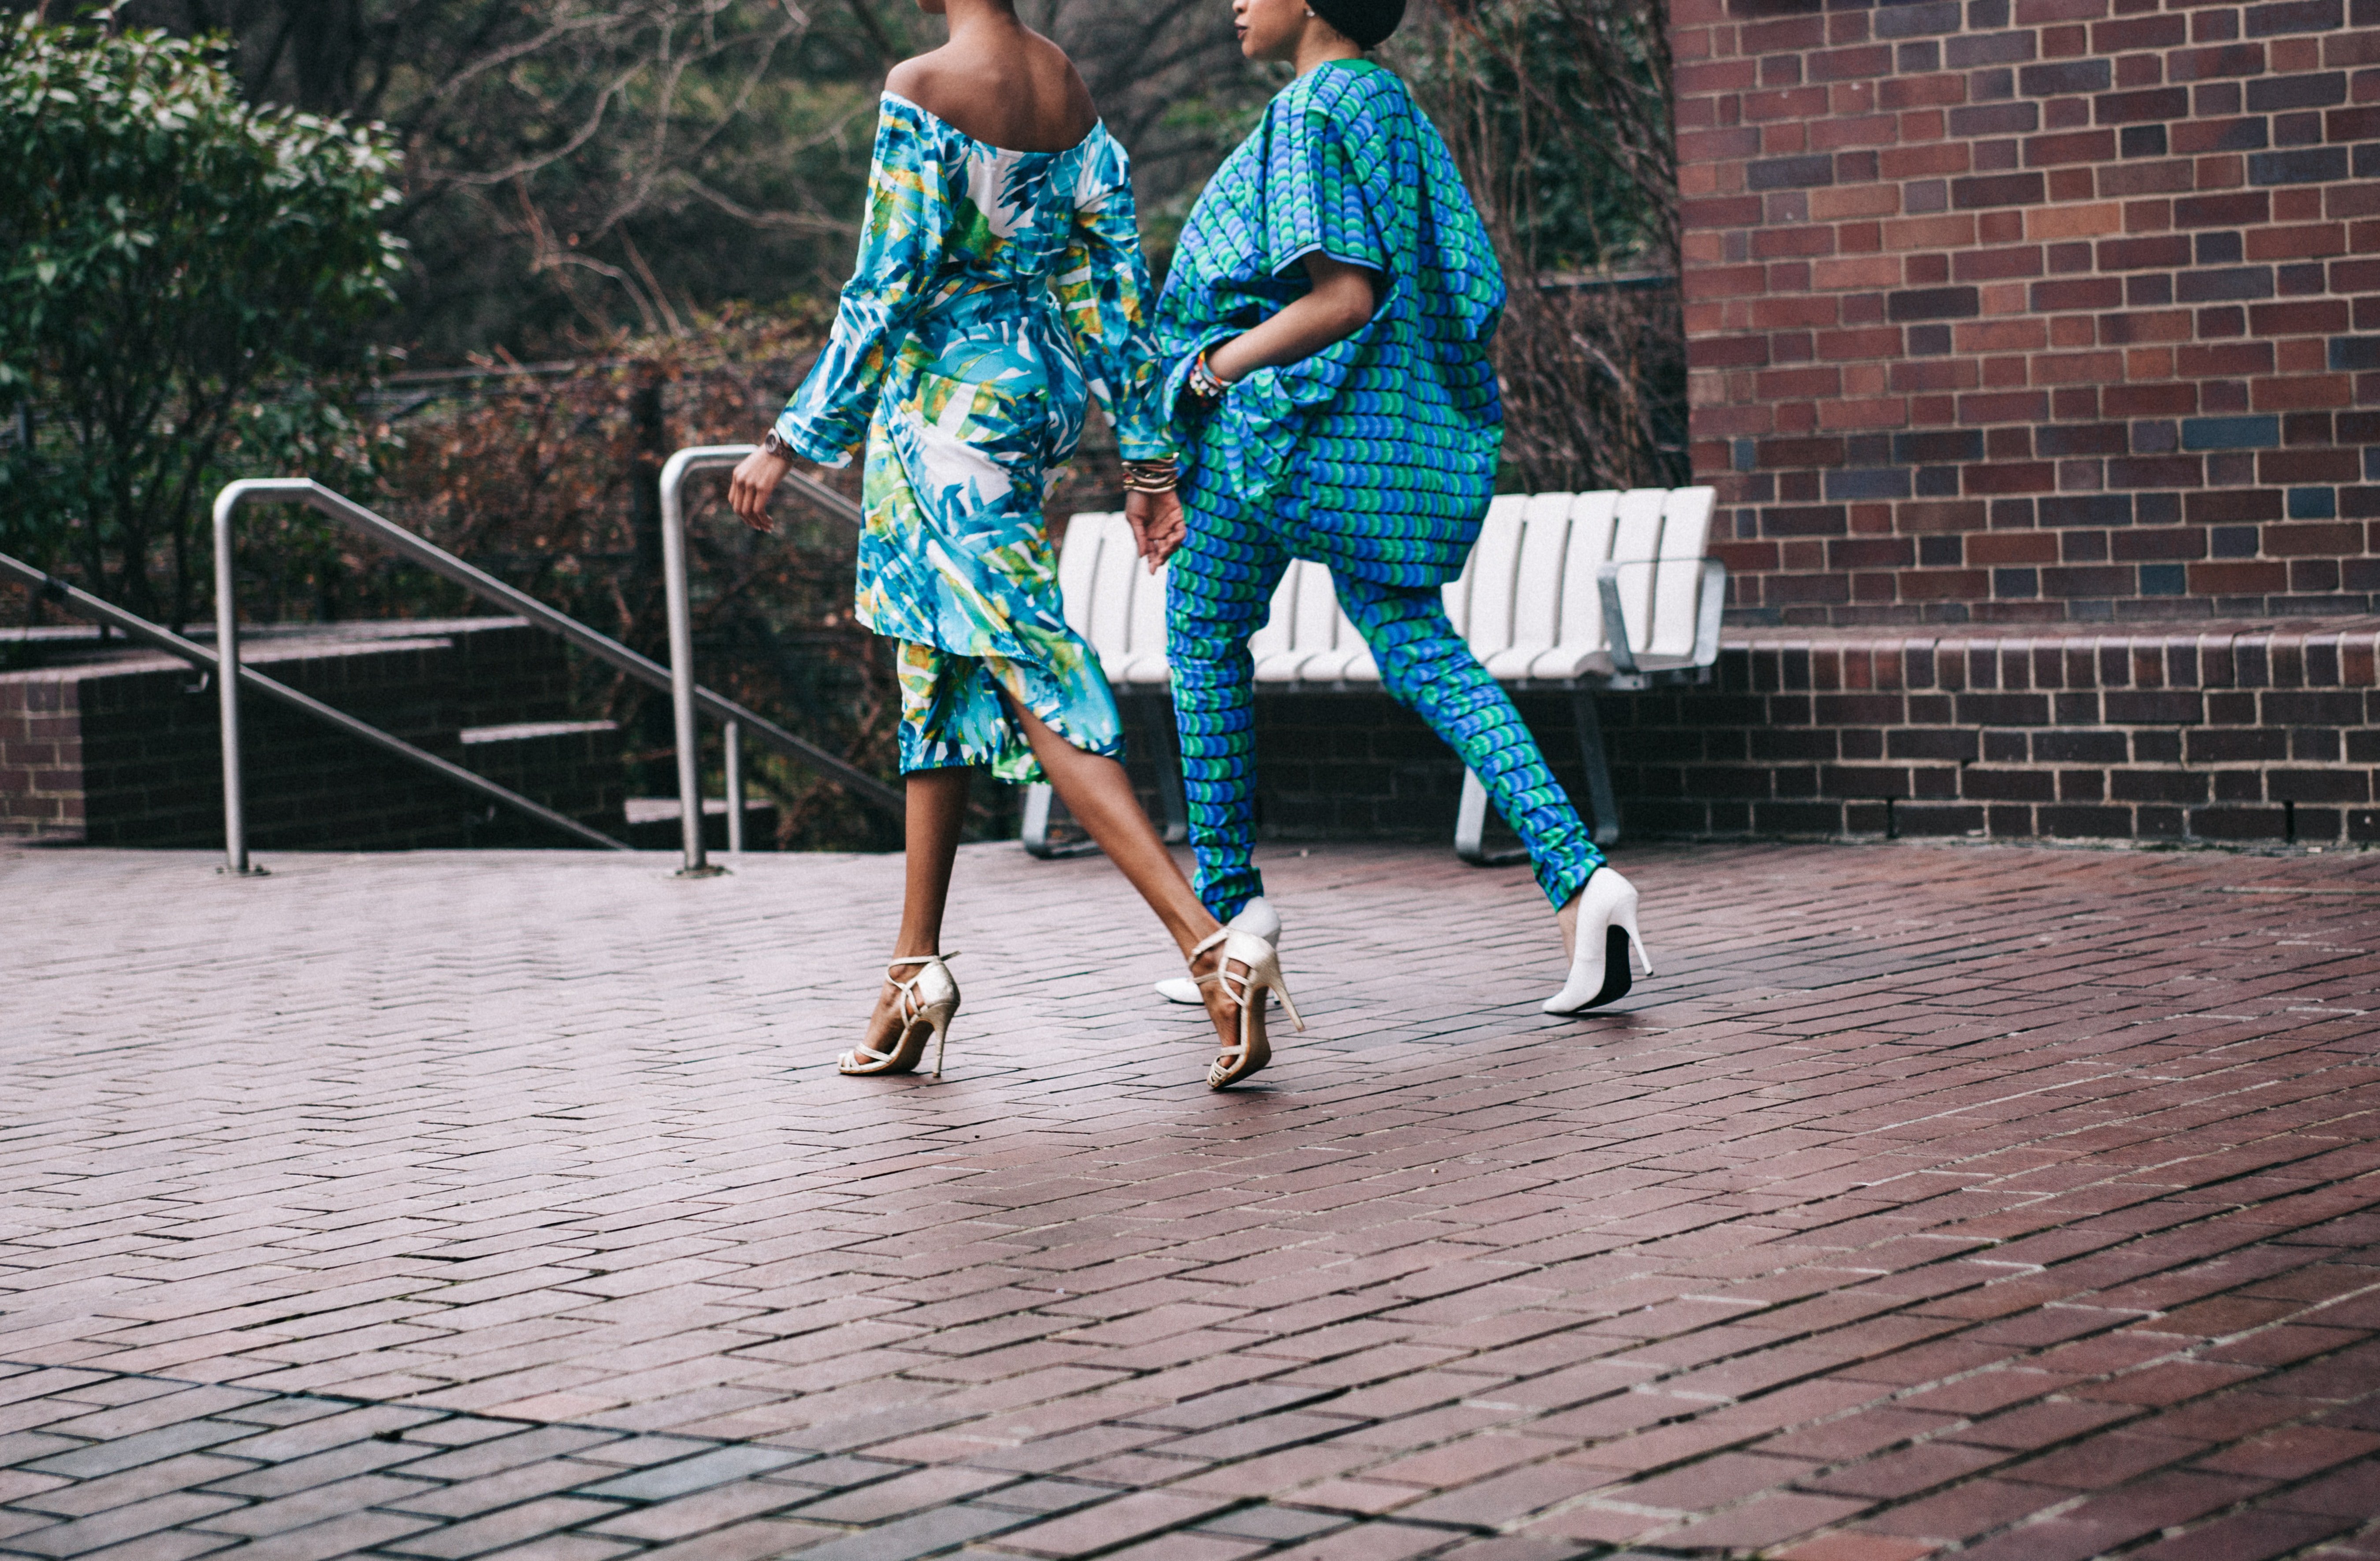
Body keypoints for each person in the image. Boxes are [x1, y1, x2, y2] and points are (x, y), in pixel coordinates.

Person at [729, 0, 1299, 1088]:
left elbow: (885, 281)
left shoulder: (925, 85)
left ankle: (1212, 948)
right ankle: (912, 970)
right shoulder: (1065, 89)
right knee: (937, 672)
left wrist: (788, 438)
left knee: (1032, 667)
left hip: (943, 418)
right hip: (1028, 405)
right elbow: (1115, 289)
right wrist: (1145, 459)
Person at [1147, 0, 1654, 1016]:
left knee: (1202, 635)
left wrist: (1209, 372)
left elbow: (1343, 297)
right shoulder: (1393, 107)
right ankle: (1582, 881)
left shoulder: (1310, 109)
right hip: (1372, 445)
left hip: (1284, 439)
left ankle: (1233, 915)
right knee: (1421, 649)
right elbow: (1460, 287)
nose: (1234, 3)